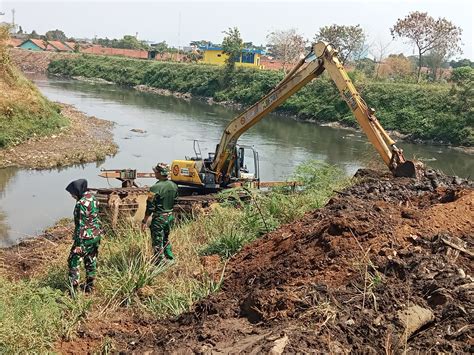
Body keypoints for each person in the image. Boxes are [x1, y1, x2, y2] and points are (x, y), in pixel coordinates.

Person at [65, 179, 102, 293]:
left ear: (77, 191)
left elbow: (81, 225)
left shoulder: (80, 204)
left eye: (72, 193)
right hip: (95, 236)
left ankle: (73, 291)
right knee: (91, 259)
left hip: (84, 238)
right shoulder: (93, 198)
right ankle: (90, 287)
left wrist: (78, 245)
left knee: (73, 261)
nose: (71, 195)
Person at [141, 163, 178, 263]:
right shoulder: (174, 185)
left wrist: (144, 221)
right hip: (170, 216)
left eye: (156, 172)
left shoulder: (154, 188)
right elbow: (175, 200)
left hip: (159, 218)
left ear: (160, 173)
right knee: (166, 238)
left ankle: (159, 262)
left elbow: (150, 207)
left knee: (157, 240)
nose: (155, 173)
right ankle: (170, 258)